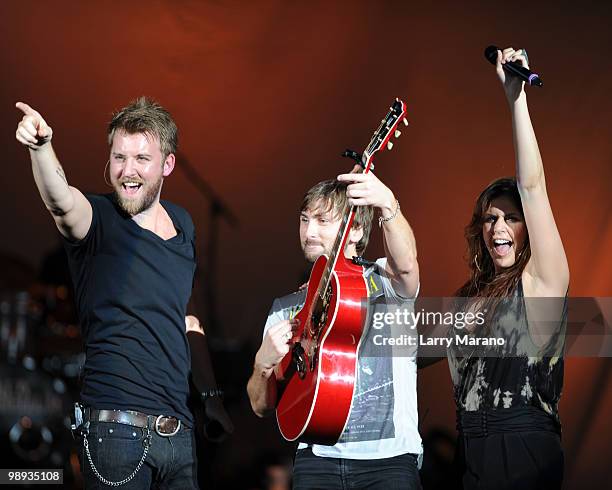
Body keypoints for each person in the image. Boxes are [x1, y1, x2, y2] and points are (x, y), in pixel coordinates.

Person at [15, 97, 232, 488]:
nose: (127, 171)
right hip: (116, 434)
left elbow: (187, 318)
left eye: (141, 159)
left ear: (167, 165)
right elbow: (61, 201)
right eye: (119, 158)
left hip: (179, 436)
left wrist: (211, 396)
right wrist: (41, 147)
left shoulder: (183, 225)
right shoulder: (98, 218)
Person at [247, 170, 422, 489]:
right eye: (304, 219)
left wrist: (387, 204)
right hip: (316, 463)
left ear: (354, 229)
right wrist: (262, 365)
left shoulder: (383, 280)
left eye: (322, 221)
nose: (309, 231)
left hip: (388, 463)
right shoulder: (286, 306)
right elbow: (260, 405)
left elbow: (408, 265)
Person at [448, 47, 569, 489]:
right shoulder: (467, 299)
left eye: (511, 217)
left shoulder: (542, 281)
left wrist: (516, 97)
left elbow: (532, 187)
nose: (499, 226)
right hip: (471, 450)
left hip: (523, 448)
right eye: (490, 218)